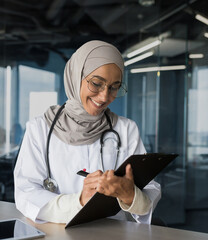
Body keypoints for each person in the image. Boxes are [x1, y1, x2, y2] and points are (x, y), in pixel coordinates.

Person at [14, 40, 161, 224]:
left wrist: (131, 196)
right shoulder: (39, 129)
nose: (104, 96)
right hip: (56, 233)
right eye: (97, 83)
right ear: (76, 77)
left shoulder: (126, 129)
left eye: (114, 87)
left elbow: (151, 189)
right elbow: (25, 194)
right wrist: (79, 201)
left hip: (110, 234)